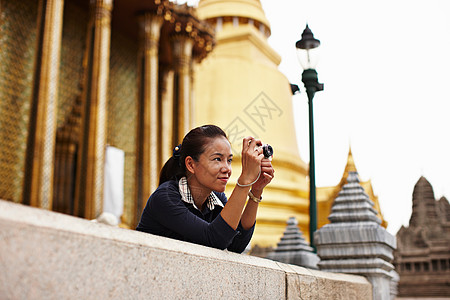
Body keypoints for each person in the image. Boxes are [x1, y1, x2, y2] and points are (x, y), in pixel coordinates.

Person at [136, 125, 274, 253]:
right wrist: (245, 180)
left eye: (229, 160)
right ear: (190, 164)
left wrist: (256, 189)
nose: (227, 169)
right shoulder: (165, 197)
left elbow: (236, 244)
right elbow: (214, 239)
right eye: (217, 159)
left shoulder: (216, 199)